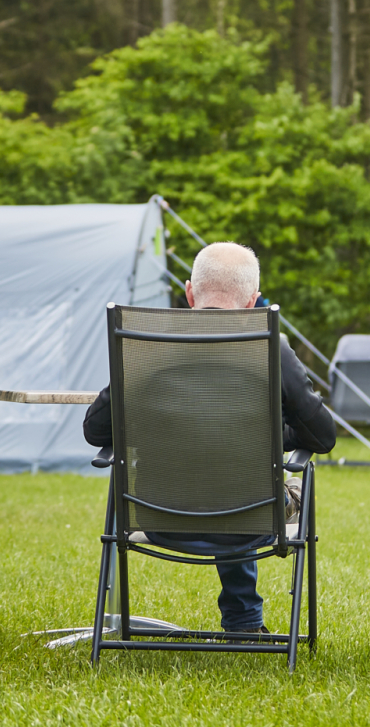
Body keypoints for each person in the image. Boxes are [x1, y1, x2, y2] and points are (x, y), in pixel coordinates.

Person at [82, 241, 336, 635]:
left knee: (224, 471)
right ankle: (244, 621)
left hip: (157, 512)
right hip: (252, 517)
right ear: (253, 301)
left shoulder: (146, 344)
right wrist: (272, 433)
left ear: (189, 293)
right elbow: (322, 437)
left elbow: (95, 430)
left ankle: (244, 618)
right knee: (263, 483)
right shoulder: (273, 348)